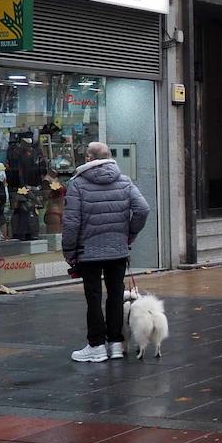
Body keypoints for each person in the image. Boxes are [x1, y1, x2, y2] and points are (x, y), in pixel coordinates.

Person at [63, 142, 150, 363]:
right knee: (115, 296)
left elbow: (72, 222)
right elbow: (143, 209)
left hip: (88, 251)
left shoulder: (78, 184)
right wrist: (129, 234)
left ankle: (96, 346)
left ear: (88, 158)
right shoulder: (124, 181)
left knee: (93, 298)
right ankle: (116, 344)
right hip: (118, 250)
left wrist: (69, 250)